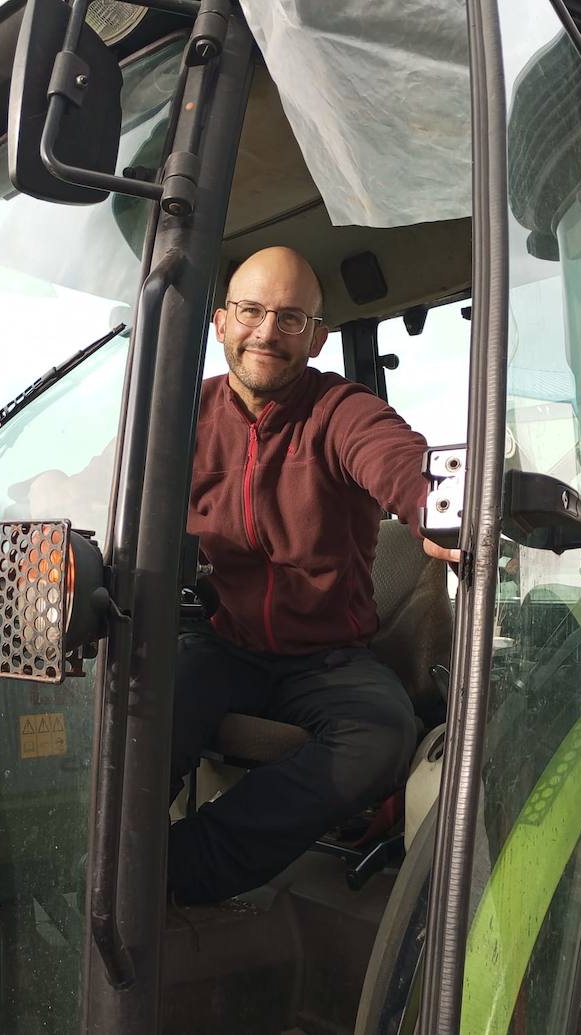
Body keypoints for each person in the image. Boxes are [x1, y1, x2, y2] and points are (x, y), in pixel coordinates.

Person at [169, 245, 456, 906]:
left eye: (291, 318)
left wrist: (440, 510)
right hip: (222, 642)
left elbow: (399, 462)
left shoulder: (338, 411)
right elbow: (112, 480)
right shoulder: (180, 418)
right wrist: (54, 491)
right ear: (220, 322)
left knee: (382, 736)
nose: (267, 331)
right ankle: (100, 864)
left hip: (327, 659)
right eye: (251, 311)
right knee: (130, 705)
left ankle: (179, 868)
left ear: (318, 336)